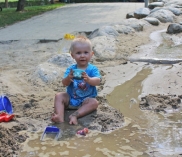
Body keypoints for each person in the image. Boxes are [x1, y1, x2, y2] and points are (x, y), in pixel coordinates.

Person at [51, 36, 101, 125]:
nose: (82, 55)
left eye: (86, 52)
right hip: (71, 99)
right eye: (78, 53)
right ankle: (59, 116)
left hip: (86, 100)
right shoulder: (71, 69)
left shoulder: (92, 69)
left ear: (91, 54)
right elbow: (64, 83)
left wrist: (89, 79)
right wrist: (68, 78)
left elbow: (98, 81)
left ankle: (75, 115)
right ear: (72, 55)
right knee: (59, 96)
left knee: (94, 103)